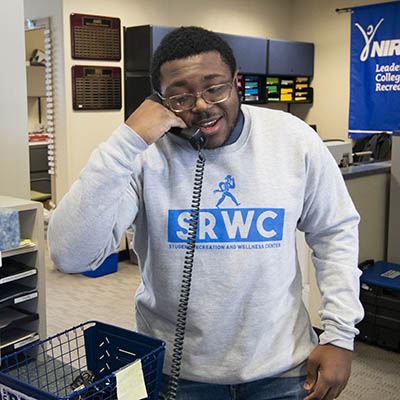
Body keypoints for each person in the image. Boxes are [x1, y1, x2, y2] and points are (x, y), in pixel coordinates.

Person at [48, 26, 364, 400]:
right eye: (180, 97)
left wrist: (340, 335)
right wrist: (127, 140)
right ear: (160, 101)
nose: (201, 105)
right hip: (176, 374)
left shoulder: (292, 139)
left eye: (215, 87)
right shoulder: (144, 154)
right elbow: (71, 255)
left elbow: (335, 232)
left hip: (280, 366)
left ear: (237, 83)